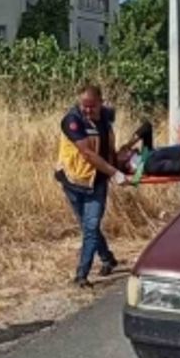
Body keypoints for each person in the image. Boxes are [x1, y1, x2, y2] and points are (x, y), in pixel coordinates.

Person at [57, 84, 130, 288]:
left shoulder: (106, 117)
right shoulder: (72, 121)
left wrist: (119, 161)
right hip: (74, 181)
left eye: (92, 106)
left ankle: (82, 275)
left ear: (100, 102)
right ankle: (107, 258)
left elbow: (108, 144)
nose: (87, 110)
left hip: (97, 182)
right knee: (89, 227)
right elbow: (88, 154)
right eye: (84, 106)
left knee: (90, 227)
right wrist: (115, 173)